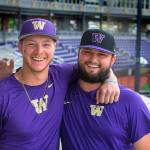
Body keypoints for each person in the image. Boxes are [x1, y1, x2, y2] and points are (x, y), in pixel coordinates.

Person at [0, 18, 119, 149]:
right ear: (20, 47)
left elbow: (93, 66)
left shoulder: (61, 75)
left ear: (54, 47)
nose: (39, 51)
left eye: (46, 44)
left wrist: (110, 80)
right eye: (31, 44)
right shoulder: (3, 93)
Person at [61, 29, 150, 150]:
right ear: (79, 53)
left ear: (113, 60)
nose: (93, 59)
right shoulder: (62, 92)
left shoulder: (131, 101)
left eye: (102, 54)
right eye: (87, 52)